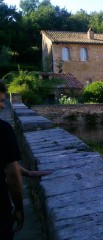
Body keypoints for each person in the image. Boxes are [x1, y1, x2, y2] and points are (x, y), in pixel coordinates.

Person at [0, 81, 24, 239]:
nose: (3, 106)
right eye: (1, 101)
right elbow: (13, 173)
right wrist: (19, 207)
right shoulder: (3, 130)